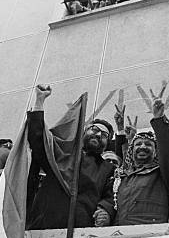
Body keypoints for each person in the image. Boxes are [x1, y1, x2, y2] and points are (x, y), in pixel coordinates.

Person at [27, 84, 115, 229]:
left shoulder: (108, 169)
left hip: (80, 230)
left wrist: (104, 210)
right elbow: (38, 143)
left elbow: (110, 196)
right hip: (43, 225)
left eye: (104, 135)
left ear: (107, 144)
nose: (98, 135)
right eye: (94, 129)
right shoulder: (63, 154)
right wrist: (39, 102)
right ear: (84, 132)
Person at [113, 88, 169, 225]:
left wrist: (159, 120)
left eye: (148, 144)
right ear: (131, 151)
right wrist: (121, 129)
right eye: (138, 144)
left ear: (156, 151)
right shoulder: (124, 176)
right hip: (120, 235)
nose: (143, 146)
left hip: (151, 234)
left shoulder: (162, 173)